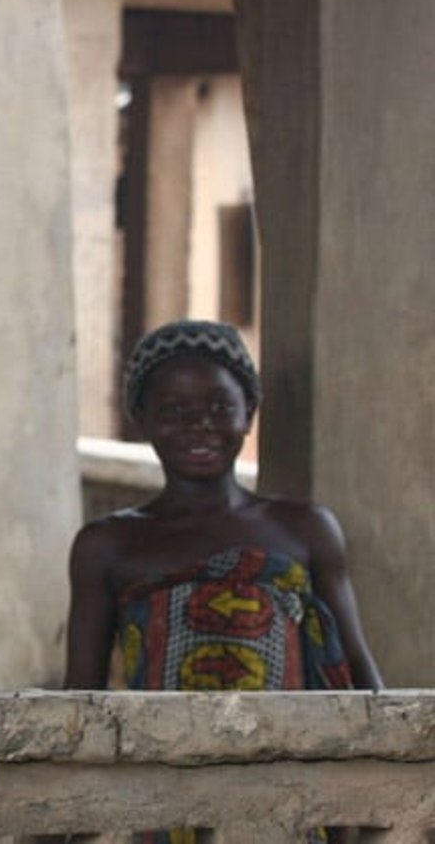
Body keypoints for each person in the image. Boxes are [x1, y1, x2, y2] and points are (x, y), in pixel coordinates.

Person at [63, 320, 382, 843]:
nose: (200, 427)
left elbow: (359, 672)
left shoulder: (304, 530)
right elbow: (81, 699)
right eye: (174, 412)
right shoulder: (109, 545)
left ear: (249, 414)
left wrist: (378, 801)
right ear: (141, 419)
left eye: (219, 408)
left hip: (290, 802)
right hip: (165, 805)